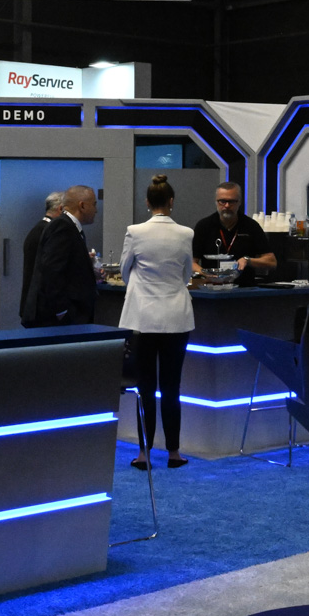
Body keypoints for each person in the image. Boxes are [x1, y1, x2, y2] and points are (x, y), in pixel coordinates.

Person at [118, 175, 194, 470]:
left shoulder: (134, 231)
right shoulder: (185, 233)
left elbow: (125, 270)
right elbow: (187, 274)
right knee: (172, 387)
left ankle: (144, 453)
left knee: (145, 388)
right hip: (177, 318)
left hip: (142, 319)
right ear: (171, 202)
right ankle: (174, 452)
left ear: (147, 202)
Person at [24, 183, 98, 326]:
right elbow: (51, 270)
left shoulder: (71, 227)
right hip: (57, 319)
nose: (96, 210)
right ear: (82, 206)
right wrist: (62, 311)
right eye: (94, 204)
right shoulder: (62, 226)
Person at [192, 182, 277, 286]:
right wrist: (206, 273)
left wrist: (248, 261)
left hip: (244, 289)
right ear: (216, 202)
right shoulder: (204, 226)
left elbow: (271, 262)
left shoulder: (251, 226)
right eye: (222, 201)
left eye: (232, 201)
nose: (227, 206)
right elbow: (191, 262)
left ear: (239, 202)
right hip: (212, 288)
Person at [19, 190, 66, 316]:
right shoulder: (51, 233)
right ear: (60, 209)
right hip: (43, 306)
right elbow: (51, 269)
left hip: (31, 302)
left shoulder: (37, 229)